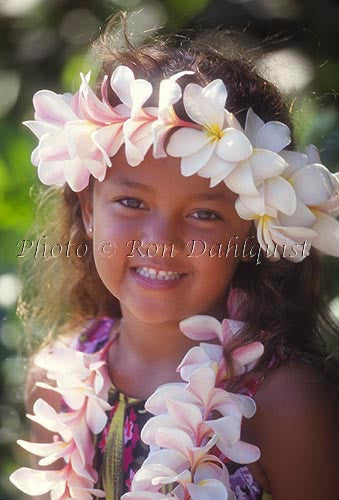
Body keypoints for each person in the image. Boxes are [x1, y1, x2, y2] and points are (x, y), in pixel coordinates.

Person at [9, 14, 339, 500]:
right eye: (132, 203)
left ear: (252, 231)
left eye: (205, 214)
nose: (161, 240)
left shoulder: (284, 402)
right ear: (88, 210)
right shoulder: (55, 380)